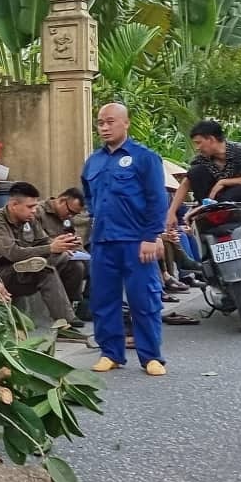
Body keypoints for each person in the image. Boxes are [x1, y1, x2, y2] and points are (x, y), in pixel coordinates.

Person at [81, 103, 170, 376]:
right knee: (103, 299)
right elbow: (88, 195)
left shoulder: (144, 158)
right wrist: (96, 216)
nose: (104, 127)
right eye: (100, 123)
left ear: (125, 123)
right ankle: (111, 353)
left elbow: (158, 199)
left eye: (110, 122)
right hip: (104, 241)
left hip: (136, 241)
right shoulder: (93, 161)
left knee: (143, 298)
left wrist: (150, 236)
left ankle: (151, 357)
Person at [0, 182, 85, 338]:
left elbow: (43, 241)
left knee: (70, 263)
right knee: (45, 271)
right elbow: (13, 254)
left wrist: (63, 243)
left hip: (20, 267)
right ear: (14, 205)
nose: (34, 210)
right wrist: (50, 248)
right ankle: (65, 322)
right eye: (30, 207)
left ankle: (67, 313)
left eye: (35, 206)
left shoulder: (29, 219)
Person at [167, 119, 241, 250]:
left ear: (211, 139)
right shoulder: (201, 159)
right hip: (213, 207)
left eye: (199, 143)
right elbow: (186, 184)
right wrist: (171, 213)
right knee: (195, 171)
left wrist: (223, 182)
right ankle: (206, 208)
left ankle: (205, 207)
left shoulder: (240, 150)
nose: (197, 148)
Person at [34, 187, 91, 315]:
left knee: (94, 263)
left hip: (65, 253)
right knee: (76, 267)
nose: (71, 216)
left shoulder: (66, 218)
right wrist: (58, 245)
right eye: (70, 212)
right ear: (62, 201)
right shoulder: (38, 211)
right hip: (44, 253)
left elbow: (70, 236)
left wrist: (76, 244)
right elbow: (36, 239)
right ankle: (68, 308)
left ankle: (86, 304)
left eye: (75, 214)